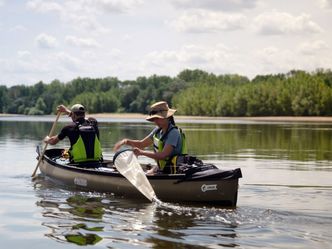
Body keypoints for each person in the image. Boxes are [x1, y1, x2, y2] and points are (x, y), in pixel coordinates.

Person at [113, 101, 186, 175]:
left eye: (158, 118)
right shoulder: (157, 130)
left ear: (167, 117)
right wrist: (126, 141)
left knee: (145, 174)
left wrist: (141, 153)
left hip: (173, 170)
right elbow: (142, 144)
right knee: (145, 173)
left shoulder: (173, 133)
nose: (155, 121)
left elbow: (163, 155)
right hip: (162, 167)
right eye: (154, 119)